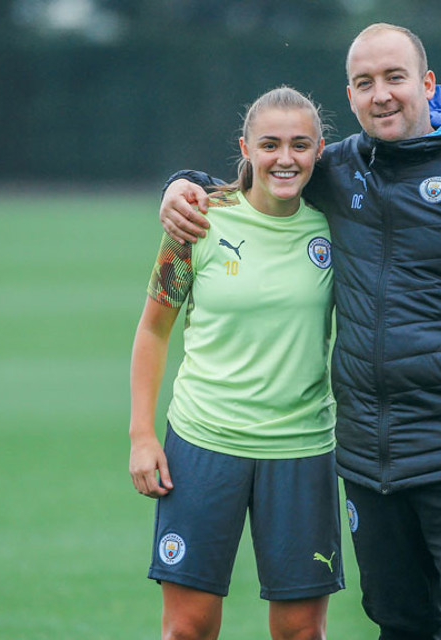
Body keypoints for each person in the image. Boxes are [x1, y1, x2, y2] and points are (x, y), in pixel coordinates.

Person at [159, 24, 441, 640]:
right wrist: (179, 185)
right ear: (350, 96)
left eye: (395, 78)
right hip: (369, 459)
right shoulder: (339, 169)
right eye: (366, 83)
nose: (382, 95)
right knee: (400, 624)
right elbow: (258, 175)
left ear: (426, 83)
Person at [129, 85, 343, 640]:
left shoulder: (337, 228)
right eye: (269, 144)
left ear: (320, 151)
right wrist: (141, 436)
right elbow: (154, 328)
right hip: (203, 445)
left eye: (300, 145)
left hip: (301, 448)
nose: (285, 158)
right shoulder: (197, 221)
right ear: (244, 147)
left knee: (301, 633)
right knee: (187, 630)